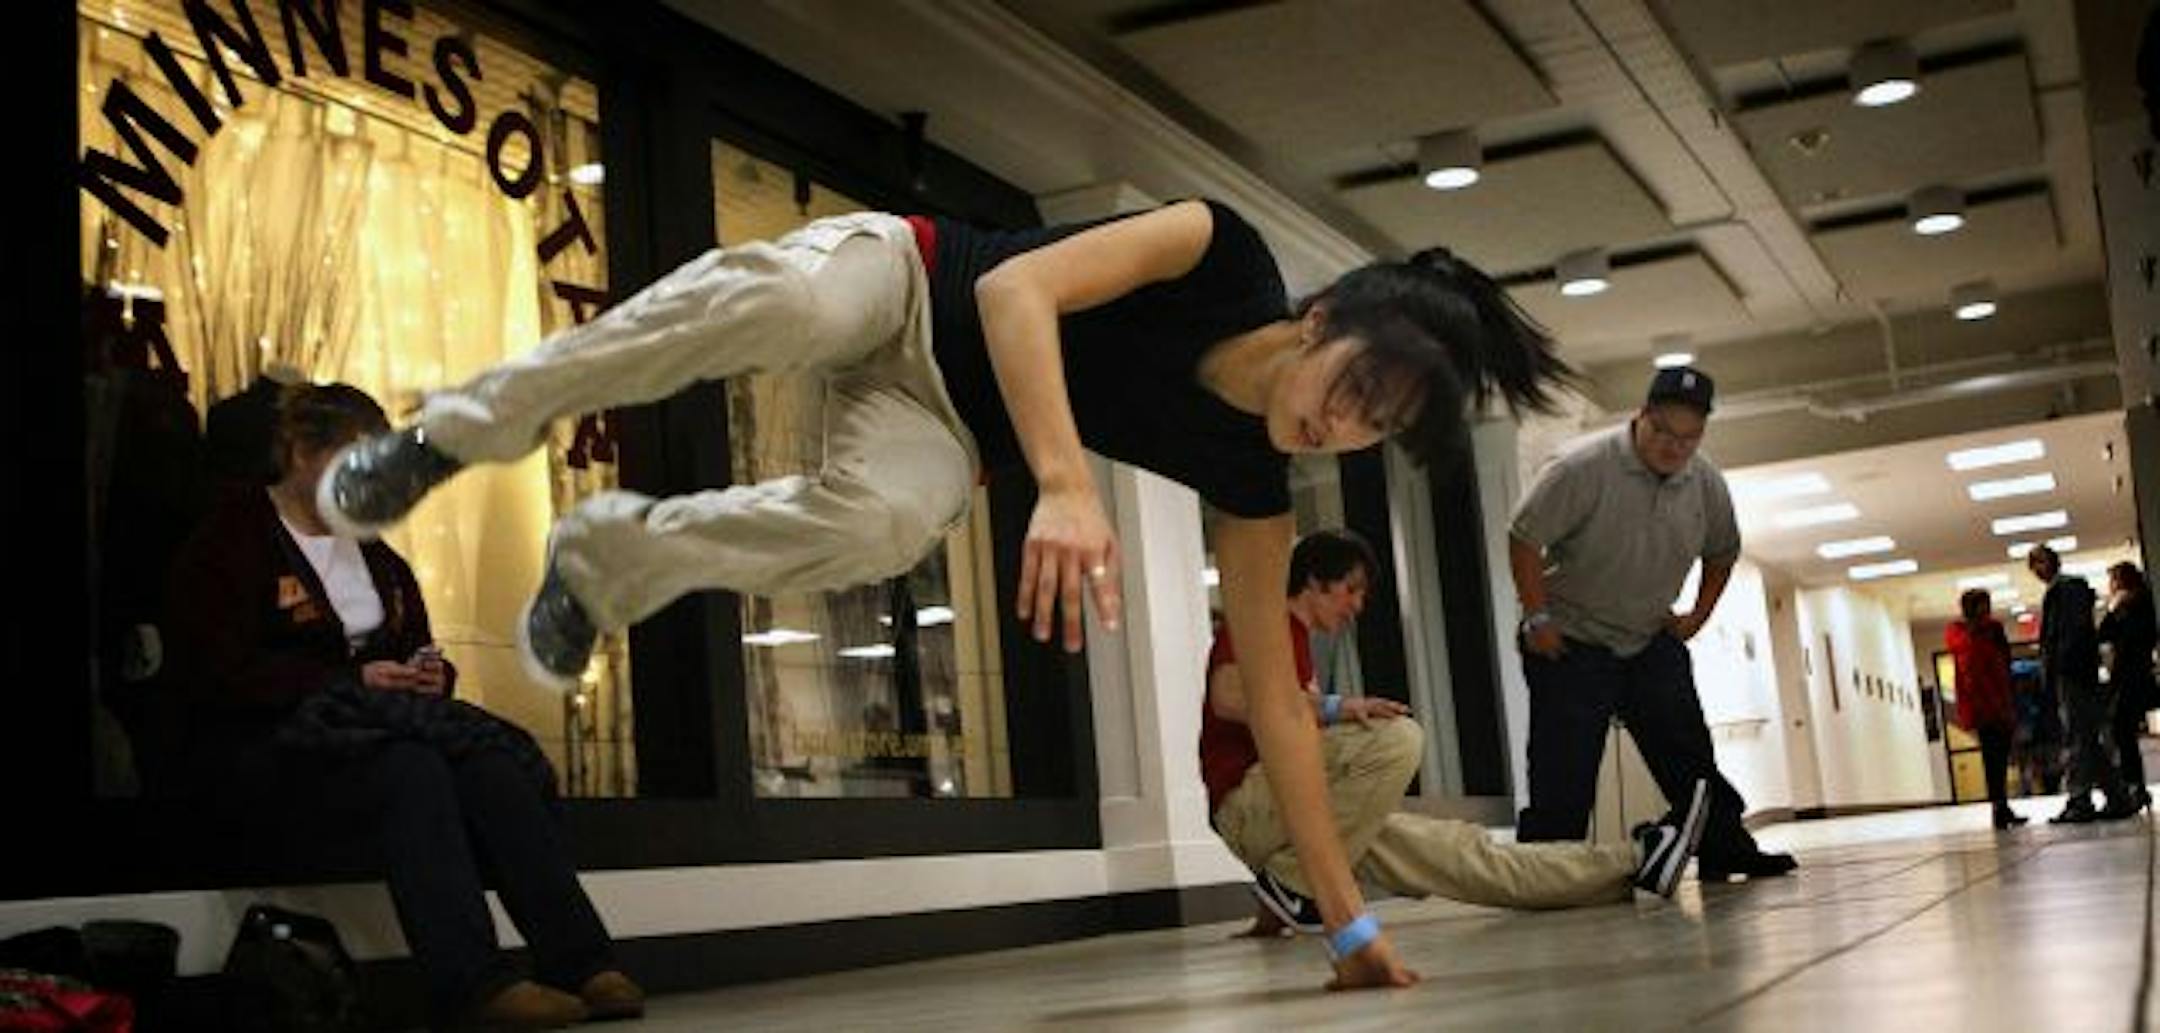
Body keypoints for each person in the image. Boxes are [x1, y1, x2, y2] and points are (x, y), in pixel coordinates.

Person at [315, 199, 1575, 988]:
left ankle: (609, 557)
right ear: (1318, 320)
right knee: (789, 297)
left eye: (1375, 430)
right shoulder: (1217, 248)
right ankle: (459, 431)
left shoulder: (1257, 487)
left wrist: (1349, 929)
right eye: (1354, 387)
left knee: (884, 521)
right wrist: (1066, 482)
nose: (1338, 428)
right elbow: (1010, 289)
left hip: (934, 412)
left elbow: (1288, 718)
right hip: (904, 276)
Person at [165, 384, 643, 1029]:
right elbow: (216, 672)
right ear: (302, 453)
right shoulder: (231, 539)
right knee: (410, 768)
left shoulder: (377, 558)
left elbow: (420, 649)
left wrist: (425, 675)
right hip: (273, 745)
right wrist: (347, 681)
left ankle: (581, 961)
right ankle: (470, 983)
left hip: (368, 730)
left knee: (490, 768)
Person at [1206, 530, 1708, 937]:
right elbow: (1228, 698)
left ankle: (1637, 861)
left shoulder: (1300, 646)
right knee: (1395, 737)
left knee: (1469, 858)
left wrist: (1271, 916)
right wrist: (1340, 707)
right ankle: (1296, 884)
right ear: (1314, 582)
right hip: (1248, 804)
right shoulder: (1261, 626)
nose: (1358, 605)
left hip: (1294, 813)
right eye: (1351, 589)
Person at [1507, 366, 1797, 880]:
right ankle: (1545, 870)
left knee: (1690, 757)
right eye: (1663, 431)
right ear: (1641, 417)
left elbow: (1722, 553)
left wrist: (1697, 617)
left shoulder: (1704, 481)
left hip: (1647, 638)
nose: (1673, 446)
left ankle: (1724, 848)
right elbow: (1524, 537)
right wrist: (1538, 617)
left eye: (1688, 438)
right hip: (1570, 639)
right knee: (1564, 769)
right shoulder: (1582, 468)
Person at [2026, 544, 2137, 823]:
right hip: (2077, 671)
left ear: (2053, 561)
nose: (2038, 569)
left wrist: (2057, 667)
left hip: (2072, 673)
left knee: (2077, 736)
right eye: (2033, 565)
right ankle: (2117, 797)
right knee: (2087, 738)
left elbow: (2067, 636)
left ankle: (2080, 800)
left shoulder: (2065, 589)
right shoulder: (2066, 589)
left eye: (2041, 562)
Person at [1946, 589, 2026, 829]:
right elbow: (1973, 669)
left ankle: (2002, 805)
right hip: (1983, 706)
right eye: (1981, 605)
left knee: (2000, 756)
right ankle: (1998, 807)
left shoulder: (1994, 630)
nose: (1985, 610)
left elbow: (2004, 664)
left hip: (2000, 701)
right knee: (1993, 758)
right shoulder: (1962, 634)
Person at [2099, 561, 2155, 809]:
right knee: (2122, 731)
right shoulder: (2138, 605)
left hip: (2131, 676)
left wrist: (2114, 607)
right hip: (2133, 675)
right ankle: (2134, 786)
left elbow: (2104, 632)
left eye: (2114, 580)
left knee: (2121, 729)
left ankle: (2134, 786)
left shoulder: (2135, 606)